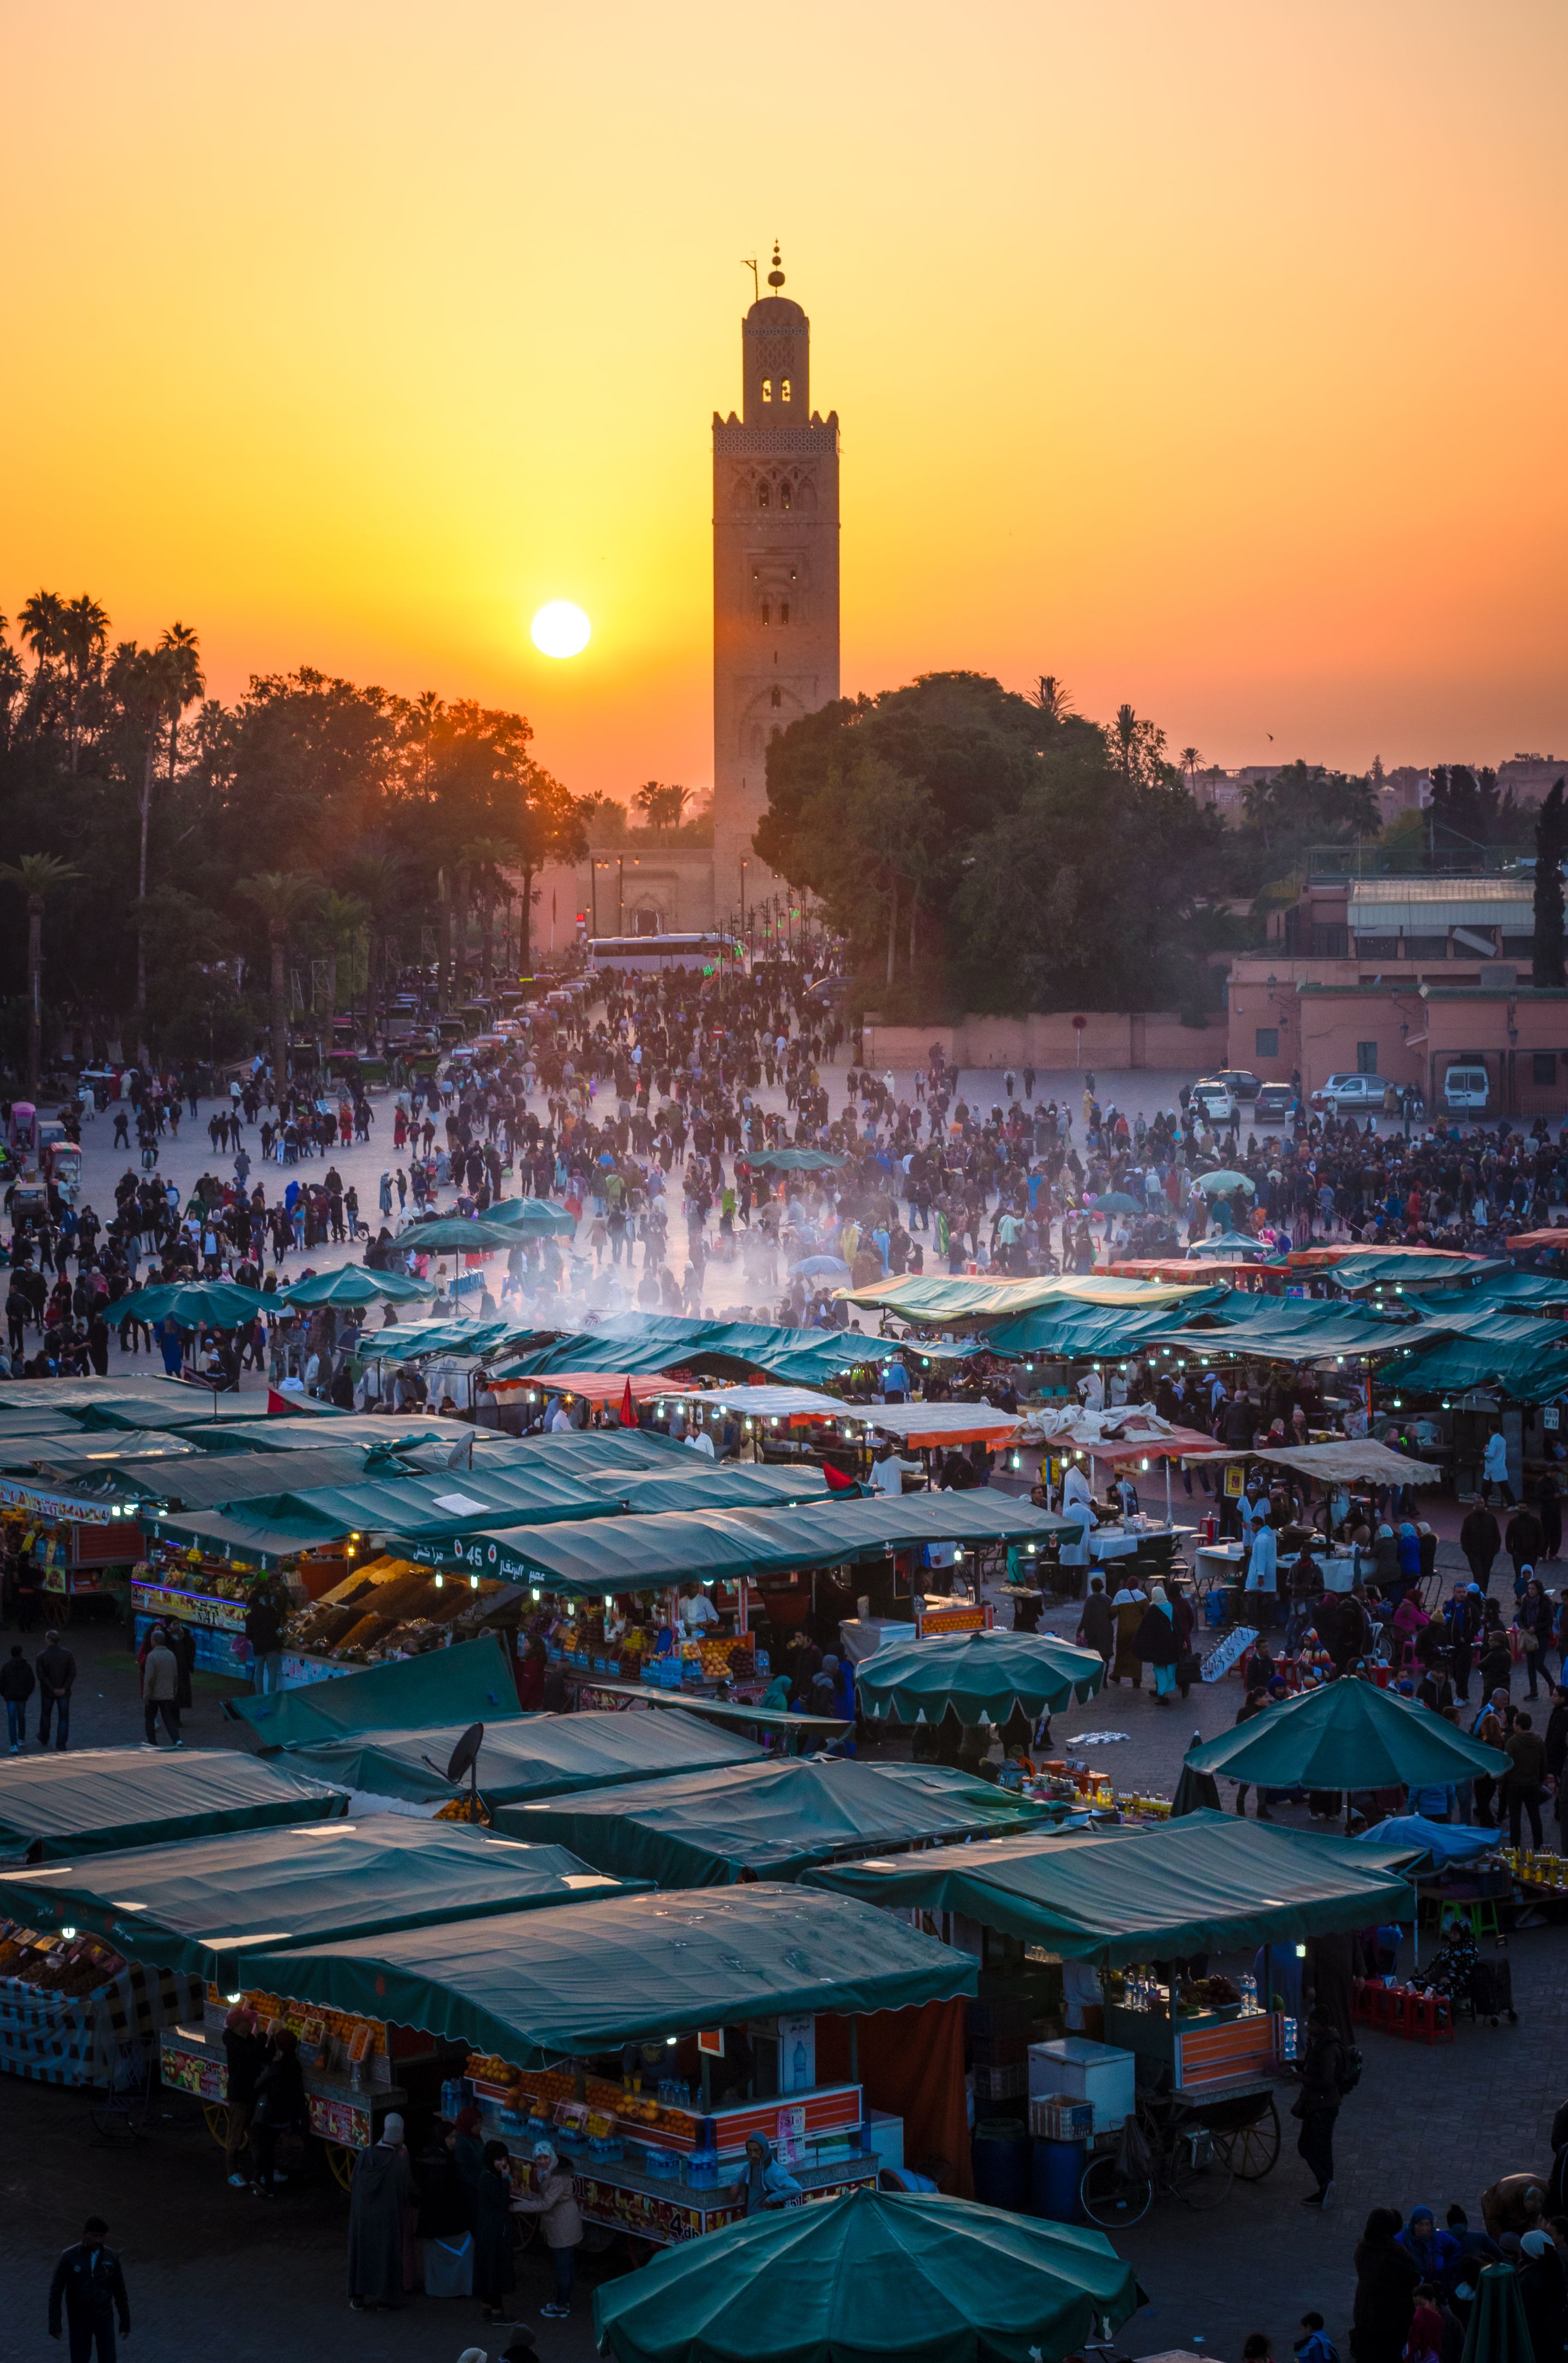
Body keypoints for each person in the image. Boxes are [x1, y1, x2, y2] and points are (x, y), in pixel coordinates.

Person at [347, 2110, 416, 2309]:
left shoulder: (365, 2155)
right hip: (387, 2216)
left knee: (361, 2254)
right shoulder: (399, 2161)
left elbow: (353, 2181)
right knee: (386, 2255)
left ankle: (358, 2298)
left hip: (362, 2214)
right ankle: (384, 2299)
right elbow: (405, 2191)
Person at [509, 2138, 583, 2319]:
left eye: (545, 2158)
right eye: (539, 2158)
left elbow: (547, 2203)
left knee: (563, 2267)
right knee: (566, 2266)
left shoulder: (556, 2178)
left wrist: (517, 2207)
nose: (542, 2161)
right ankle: (564, 2301)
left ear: (552, 2157)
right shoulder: (552, 2172)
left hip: (562, 2224)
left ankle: (561, 2305)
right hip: (564, 2222)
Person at [48, 2214, 131, 2362]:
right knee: (80, 2359)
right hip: (79, 2318)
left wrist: (125, 2322)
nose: (98, 2240)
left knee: (108, 2359)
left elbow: (120, 2291)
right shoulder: (69, 2257)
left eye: (101, 2236)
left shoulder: (111, 2257)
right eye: (94, 2236)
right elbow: (56, 2291)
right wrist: (55, 2323)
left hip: (104, 2317)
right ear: (85, 2234)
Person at [1353, 2208, 1423, 2363]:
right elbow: (1414, 2277)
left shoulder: (1363, 2248)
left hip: (1365, 2312)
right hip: (1391, 2319)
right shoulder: (1392, 2253)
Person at [1292, 2004, 1343, 2209]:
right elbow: (1310, 2066)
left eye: (1312, 2024)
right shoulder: (1318, 2044)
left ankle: (1326, 2184)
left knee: (1309, 2147)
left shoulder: (1328, 2049)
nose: (1308, 2027)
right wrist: (1295, 2065)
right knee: (1320, 2148)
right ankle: (1326, 2186)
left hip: (1323, 2106)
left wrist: (1302, 2078)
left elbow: (1326, 2081)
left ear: (1321, 2026)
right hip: (1318, 2105)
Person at [248, 2027, 308, 2196]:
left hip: (269, 2115)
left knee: (266, 2149)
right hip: (285, 2116)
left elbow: (257, 2084)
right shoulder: (296, 2067)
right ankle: (261, 2181)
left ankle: (266, 2185)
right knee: (269, 2147)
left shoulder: (275, 2068)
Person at [220, 2003, 269, 2187]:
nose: (251, 2024)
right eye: (247, 2022)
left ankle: (262, 2170)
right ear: (238, 2026)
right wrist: (263, 2035)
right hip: (240, 2095)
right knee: (236, 2135)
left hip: (251, 2093)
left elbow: (261, 2055)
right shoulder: (235, 2044)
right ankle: (232, 2171)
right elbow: (254, 2056)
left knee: (256, 2135)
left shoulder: (247, 2038)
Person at [471, 2138, 517, 2324]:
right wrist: (506, 2180)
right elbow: (501, 2199)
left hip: (487, 2232)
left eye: (505, 2159)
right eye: (499, 2160)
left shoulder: (487, 2176)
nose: (503, 2163)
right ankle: (498, 2313)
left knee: (488, 2271)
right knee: (495, 2273)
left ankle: (487, 2308)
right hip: (493, 2234)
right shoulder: (488, 2179)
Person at [1505, 1709, 1549, 1847]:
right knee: (1535, 1816)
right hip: (1533, 1785)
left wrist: (1503, 1783)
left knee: (1515, 1818)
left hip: (1515, 1786)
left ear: (1518, 1725)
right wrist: (1540, 1781)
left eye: (1514, 1723)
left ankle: (1515, 1848)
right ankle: (1538, 1845)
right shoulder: (1538, 1741)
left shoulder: (1513, 1742)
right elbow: (1544, 1764)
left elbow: (1508, 1765)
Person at [1136, 1582, 1180, 1702]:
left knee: (1160, 1670)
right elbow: (1178, 1626)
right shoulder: (1171, 1607)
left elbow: (1146, 1629)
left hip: (1159, 1647)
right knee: (1170, 1669)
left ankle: (1162, 1694)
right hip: (1172, 1645)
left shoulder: (1153, 1610)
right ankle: (1165, 1690)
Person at [140, 1627, 182, 1747]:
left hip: (154, 1694)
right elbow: (175, 1676)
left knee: (150, 1718)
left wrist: (146, 1695)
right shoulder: (171, 1655)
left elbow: (150, 1678)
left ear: (154, 1641)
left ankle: (152, 1742)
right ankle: (177, 1739)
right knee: (169, 1718)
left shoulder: (152, 1657)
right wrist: (174, 1691)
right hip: (167, 1693)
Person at [35, 1629, 76, 1751]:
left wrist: (52, 1689)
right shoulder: (68, 1654)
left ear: (48, 1640)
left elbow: (42, 1676)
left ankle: (44, 1737)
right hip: (64, 1691)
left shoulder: (42, 1656)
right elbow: (72, 1673)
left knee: (46, 1715)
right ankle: (61, 1743)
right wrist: (64, 1688)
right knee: (64, 1717)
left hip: (48, 1692)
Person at [2, 1640, 34, 1751]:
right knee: (21, 1717)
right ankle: (21, 1738)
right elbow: (31, 1682)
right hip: (22, 1697)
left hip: (10, 1697)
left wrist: (4, 1694)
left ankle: (13, 1744)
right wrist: (27, 1694)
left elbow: (2, 1683)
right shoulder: (26, 1667)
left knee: (12, 1719)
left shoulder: (6, 1667)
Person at [1077, 1574, 1113, 1667]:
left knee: (1094, 1657)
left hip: (1093, 1633)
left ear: (1092, 1587)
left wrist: (1079, 1631)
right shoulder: (1109, 1600)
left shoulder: (1090, 1600)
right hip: (1106, 1631)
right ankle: (1104, 1679)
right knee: (1105, 1657)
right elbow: (1113, 1615)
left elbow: (1085, 1618)